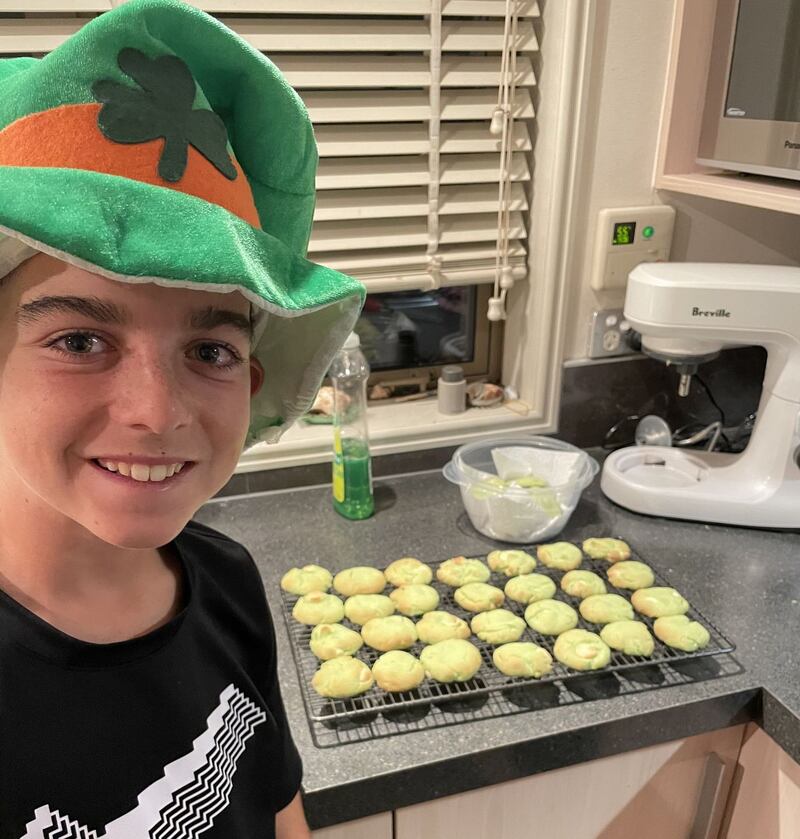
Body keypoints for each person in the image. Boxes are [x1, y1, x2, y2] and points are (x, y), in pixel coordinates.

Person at [0, 1, 364, 837]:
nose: (158, 413)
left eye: (210, 352)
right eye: (81, 338)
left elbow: (276, 808)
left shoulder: (228, 579)